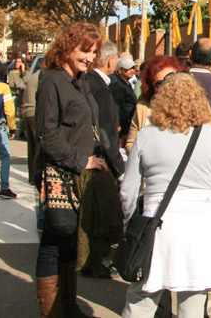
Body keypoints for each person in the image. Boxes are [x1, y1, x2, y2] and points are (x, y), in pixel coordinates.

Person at [119, 72, 211, 317]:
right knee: (193, 303)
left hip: (158, 226)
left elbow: (127, 193)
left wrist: (131, 224)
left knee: (141, 299)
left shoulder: (146, 136)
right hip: (203, 228)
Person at [35, 22, 110, 317]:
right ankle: (51, 310)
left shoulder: (80, 81)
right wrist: (82, 161)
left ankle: (68, 304)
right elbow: (47, 133)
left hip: (77, 175)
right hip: (59, 172)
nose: (90, 57)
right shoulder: (52, 81)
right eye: (84, 50)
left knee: (70, 241)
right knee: (55, 239)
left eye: (93, 52)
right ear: (67, 48)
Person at [81, 41, 125, 279]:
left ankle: (91, 260)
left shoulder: (86, 82)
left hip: (87, 155)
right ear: (110, 60)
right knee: (102, 215)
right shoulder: (99, 87)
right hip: (99, 159)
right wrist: (120, 168)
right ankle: (94, 263)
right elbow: (107, 133)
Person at [125, 55, 188, 153]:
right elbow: (131, 144)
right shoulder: (143, 108)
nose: (166, 87)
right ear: (151, 86)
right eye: (160, 83)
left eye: (171, 82)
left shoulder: (193, 107)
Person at [0, 62, 17, 199]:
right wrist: (12, 128)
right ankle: (4, 188)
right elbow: (9, 111)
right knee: (4, 156)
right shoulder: (4, 87)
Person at [110, 56, 138, 142]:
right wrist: (121, 128)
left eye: (133, 68)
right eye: (128, 69)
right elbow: (118, 107)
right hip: (122, 128)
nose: (132, 71)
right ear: (119, 70)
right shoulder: (118, 86)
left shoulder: (126, 84)